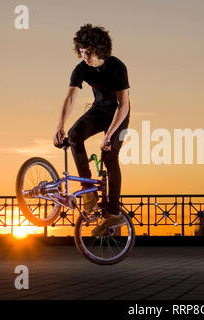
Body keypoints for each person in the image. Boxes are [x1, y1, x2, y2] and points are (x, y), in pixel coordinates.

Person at [53, 24, 130, 236]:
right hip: (99, 111)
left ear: (100, 49)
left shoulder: (117, 67)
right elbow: (70, 98)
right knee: (74, 135)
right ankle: (89, 193)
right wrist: (60, 126)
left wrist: (109, 134)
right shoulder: (81, 69)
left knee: (109, 155)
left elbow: (124, 105)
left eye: (89, 52)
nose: (85, 56)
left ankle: (114, 213)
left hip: (118, 116)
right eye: (82, 52)